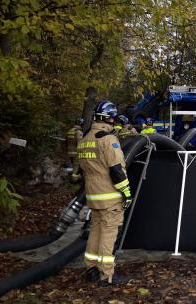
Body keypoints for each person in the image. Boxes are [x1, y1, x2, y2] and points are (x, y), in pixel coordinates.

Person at [78, 101, 132, 285]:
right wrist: (126, 193)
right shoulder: (108, 140)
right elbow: (117, 170)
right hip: (110, 196)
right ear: (110, 118)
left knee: (95, 231)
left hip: (92, 196)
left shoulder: (85, 140)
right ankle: (106, 275)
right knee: (109, 234)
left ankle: (91, 268)